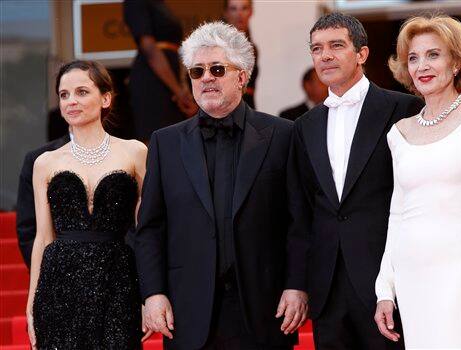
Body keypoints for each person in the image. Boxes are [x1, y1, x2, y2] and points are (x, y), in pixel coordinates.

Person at [135, 21, 308, 350]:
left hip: (265, 305)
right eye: (197, 72)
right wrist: (153, 294)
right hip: (189, 309)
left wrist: (296, 285)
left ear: (242, 76)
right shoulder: (165, 143)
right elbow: (150, 228)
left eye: (217, 69)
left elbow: (299, 221)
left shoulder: (283, 135)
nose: (206, 78)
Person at [289, 13, 424, 349]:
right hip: (327, 287)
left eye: (337, 45)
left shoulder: (404, 109)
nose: (325, 55)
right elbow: (302, 210)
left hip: (388, 281)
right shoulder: (303, 126)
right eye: (317, 49)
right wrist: (300, 282)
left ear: (362, 54)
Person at [374, 15, 461, 348]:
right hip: (411, 270)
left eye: (433, 54)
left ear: (455, 64)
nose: (422, 65)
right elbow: (397, 214)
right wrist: (384, 289)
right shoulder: (399, 133)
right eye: (414, 57)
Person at [25, 60, 149, 349]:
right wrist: (32, 302)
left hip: (117, 281)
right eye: (64, 94)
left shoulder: (134, 151)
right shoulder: (45, 162)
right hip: (58, 285)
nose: (71, 102)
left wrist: (149, 293)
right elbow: (43, 237)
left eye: (81, 92)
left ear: (105, 98)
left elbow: (148, 229)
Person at [123, 0, 196, 143]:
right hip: (152, 82)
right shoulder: (135, 3)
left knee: (175, 141)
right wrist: (178, 91)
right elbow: (149, 49)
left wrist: (182, 85)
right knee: (157, 141)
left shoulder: (159, 3)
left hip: (172, 81)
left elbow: (177, 51)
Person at [17, 133, 70, 269]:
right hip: (61, 271)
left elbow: (132, 226)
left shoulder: (125, 152)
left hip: (116, 268)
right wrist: (47, 275)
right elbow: (28, 229)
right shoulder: (38, 159)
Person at [223, 0, 258, 108]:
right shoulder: (217, 47)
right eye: (234, 9)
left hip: (248, 107)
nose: (239, 14)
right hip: (224, 108)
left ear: (251, 12)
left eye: (244, 8)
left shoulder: (253, 47)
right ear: (225, 13)